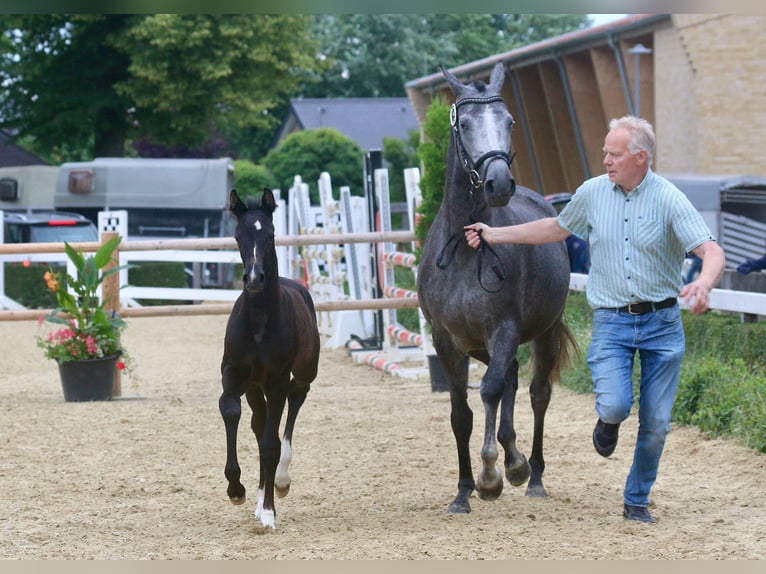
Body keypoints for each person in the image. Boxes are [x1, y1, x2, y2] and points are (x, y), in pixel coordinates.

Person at [464, 116, 726, 524]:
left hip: (662, 325)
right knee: (618, 403)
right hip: (613, 323)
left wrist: (705, 285)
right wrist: (494, 235)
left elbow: (711, 250)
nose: (605, 159)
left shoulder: (670, 199)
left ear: (641, 157)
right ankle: (609, 420)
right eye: (605, 152)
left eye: (614, 154)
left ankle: (636, 499)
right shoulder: (591, 193)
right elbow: (555, 228)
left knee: (656, 424)